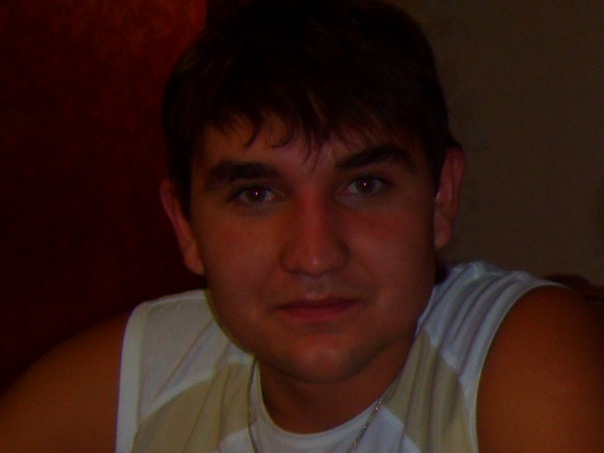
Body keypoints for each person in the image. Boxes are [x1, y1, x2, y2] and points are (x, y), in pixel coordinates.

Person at [1, 0, 603, 451]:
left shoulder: (516, 359)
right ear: (185, 224)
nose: (315, 256)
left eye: (364, 186)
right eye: (257, 194)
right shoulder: (143, 375)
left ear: (441, 197)